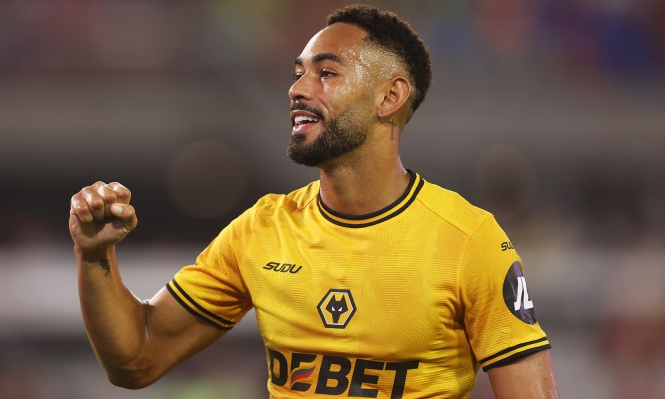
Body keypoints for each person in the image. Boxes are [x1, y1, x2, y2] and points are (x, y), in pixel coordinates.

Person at [69, 4, 559, 398]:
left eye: (326, 73)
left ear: (390, 98)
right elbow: (137, 359)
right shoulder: (261, 230)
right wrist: (94, 256)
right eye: (299, 73)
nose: (297, 89)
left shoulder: (467, 240)